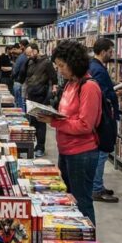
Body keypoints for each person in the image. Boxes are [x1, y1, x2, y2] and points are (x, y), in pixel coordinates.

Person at [31, 40, 101, 225]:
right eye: (57, 66)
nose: (59, 70)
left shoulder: (89, 87)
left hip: (82, 153)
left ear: (74, 63)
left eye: (62, 65)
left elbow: (85, 125)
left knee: (82, 202)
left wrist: (54, 121)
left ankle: (88, 238)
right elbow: (67, 114)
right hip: (67, 151)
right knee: (69, 199)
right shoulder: (71, 84)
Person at [89, 39, 120, 203]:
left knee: (100, 154)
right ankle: (96, 188)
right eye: (110, 51)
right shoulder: (99, 70)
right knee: (101, 154)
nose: (112, 54)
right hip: (104, 117)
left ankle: (97, 185)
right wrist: (115, 94)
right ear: (102, 52)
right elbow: (103, 94)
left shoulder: (92, 66)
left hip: (99, 116)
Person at [23, 43, 57, 157]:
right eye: (27, 55)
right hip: (31, 96)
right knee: (32, 122)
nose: (28, 57)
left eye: (29, 54)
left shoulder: (46, 62)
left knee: (41, 122)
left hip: (42, 97)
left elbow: (54, 78)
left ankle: (40, 147)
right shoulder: (31, 62)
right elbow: (26, 77)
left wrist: (51, 93)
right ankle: (35, 145)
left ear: (35, 51)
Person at [11, 39, 30, 110]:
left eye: (20, 46)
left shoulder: (22, 57)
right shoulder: (28, 57)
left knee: (19, 104)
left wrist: (12, 76)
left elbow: (16, 70)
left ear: (22, 46)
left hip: (19, 82)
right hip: (25, 82)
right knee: (23, 103)